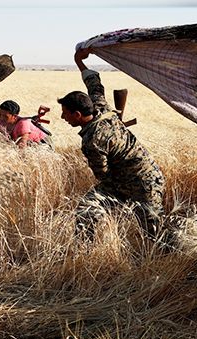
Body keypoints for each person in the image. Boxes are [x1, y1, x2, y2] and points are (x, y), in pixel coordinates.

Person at [58, 48, 167, 244]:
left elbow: (103, 175)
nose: (62, 117)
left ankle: (174, 263)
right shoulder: (101, 107)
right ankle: (83, 250)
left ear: (77, 115)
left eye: (65, 113)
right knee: (87, 209)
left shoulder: (92, 141)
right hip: (139, 177)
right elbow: (94, 83)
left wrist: (116, 201)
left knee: (153, 236)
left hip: (145, 184)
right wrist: (79, 61)